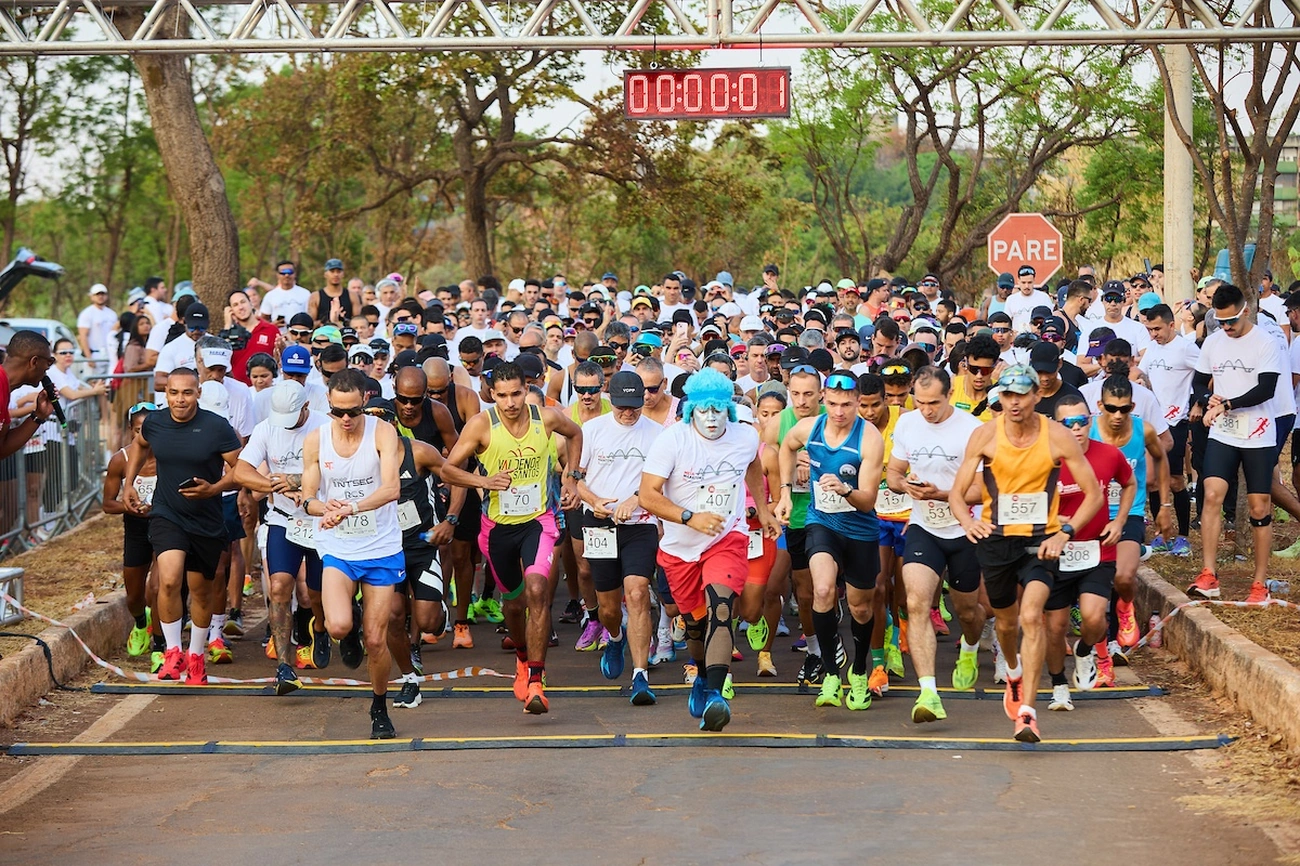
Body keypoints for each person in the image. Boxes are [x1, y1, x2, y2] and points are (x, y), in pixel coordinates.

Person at [947, 365, 1103, 742]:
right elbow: (956, 493)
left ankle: (1028, 714)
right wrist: (967, 523)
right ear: (1000, 398)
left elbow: (1094, 494)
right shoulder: (985, 435)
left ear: (1036, 395)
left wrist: (1065, 532)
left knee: (1032, 616)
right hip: (997, 540)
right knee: (1006, 623)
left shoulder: (1057, 436)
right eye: (1007, 395)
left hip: (1041, 540)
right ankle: (1014, 673)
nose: (1014, 403)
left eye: (1021, 395)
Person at [439, 361, 584, 715]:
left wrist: (572, 477)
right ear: (492, 394)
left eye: (516, 394)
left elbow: (576, 433)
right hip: (497, 529)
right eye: (502, 396)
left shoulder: (545, 419)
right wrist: (484, 482)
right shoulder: (481, 425)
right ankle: (521, 656)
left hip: (538, 522)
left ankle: (536, 679)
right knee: (514, 605)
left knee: (538, 589)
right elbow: (448, 469)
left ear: (526, 389)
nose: (510, 403)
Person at [640, 368, 781, 731]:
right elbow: (647, 495)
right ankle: (702, 675)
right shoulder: (672, 440)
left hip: (726, 537)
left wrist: (763, 510)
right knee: (694, 624)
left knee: (721, 607)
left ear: (729, 409)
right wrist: (689, 517)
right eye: (704, 410)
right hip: (680, 547)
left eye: (719, 409)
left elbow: (752, 466)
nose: (712, 418)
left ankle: (717, 695)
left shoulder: (744, 436)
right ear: (691, 410)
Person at [300, 369, 405, 739]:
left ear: (365, 400)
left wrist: (351, 508)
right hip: (339, 548)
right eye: (337, 411)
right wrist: (324, 509)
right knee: (338, 626)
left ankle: (379, 707)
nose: (345, 418)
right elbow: (308, 498)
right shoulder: (316, 440)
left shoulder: (383, 433)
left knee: (376, 641)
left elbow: (391, 489)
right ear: (328, 403)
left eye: (353, 411)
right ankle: (351, 619)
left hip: (381, 547)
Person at [123, 369, 243, 686]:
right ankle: (173, 652)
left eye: (187, 393)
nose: (180, 400)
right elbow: (139, 444)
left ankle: (196, 656)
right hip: (167, 513)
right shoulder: (155, 423)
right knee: (169, 579)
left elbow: (241, 468)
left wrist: (214, 489)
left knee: (201, 591)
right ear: (166, 394)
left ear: (198, 393)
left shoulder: (216, 427)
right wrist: (129, 482)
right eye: (174, 393)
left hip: (206, 519)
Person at [775, 369, 885, 712]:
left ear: (858, 403)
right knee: (822, 590)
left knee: (861, 607)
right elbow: (785, 446)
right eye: (834, 404)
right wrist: (784, 492)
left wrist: (845, 489)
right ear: (824, 398)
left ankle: (859, 669)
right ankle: (832, 674)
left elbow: (868, 501)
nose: (839, 412)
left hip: (860, 529)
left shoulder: (869, 439)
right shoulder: (810, 428)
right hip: (822, 522)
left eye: (847, 405)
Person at [884, 366, 985, 723]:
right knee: (916, 602)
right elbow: (893, 473)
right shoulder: (907, 423)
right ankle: (928, 692)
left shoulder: (972, 429)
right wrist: (905, 486)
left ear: (949, 395)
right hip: (923, 526)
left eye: (934, 403)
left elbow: (982, 490)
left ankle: (970, 647)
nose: (926, 410)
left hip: (963, 528)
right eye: (921, 402)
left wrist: (942, 494)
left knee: (968, 611)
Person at [232, 380, 330, 694]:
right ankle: (284, 667)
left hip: (321, 520)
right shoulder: (266, 428)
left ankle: (320, 627)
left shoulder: (325, 427)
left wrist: (297, 480)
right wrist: (272, 486)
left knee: (315, 594)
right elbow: (241, 471)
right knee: (279, 586)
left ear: (306, 407)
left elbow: (337, 470)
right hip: (283, 520)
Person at [1188, 283, 1284, 605]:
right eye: (1221, 321)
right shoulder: (1213, 342)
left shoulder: (1265, 341)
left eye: (1231, 321)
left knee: (1259, 507)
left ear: (1245, 311)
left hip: (1257, 433)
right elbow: (1199, 381)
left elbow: (1266, 389)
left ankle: (1259, 583)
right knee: (1212, 494)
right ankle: (1208, 574)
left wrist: (1227, 404)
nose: (1226, 327)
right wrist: (1207, 398)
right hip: (1224, 432)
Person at [574, 371, 664, 705]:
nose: (628, 412)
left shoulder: (658, 433)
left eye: (634, 406)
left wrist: (637, 499)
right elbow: (575, 479)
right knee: (609, 608)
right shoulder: (592, 430)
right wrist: (594, 500)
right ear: (609, 399)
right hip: (599, 523)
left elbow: (661, 481)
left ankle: (641, 675)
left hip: (640, 524)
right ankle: (614, 637)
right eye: (622, 406)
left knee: (638, 593)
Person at [1047, 395, 1134, 700]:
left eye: (1082, 421)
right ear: (1056, 426)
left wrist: (1119, 521)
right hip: (1056, 552)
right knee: (1055, 628)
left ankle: (1085, 651)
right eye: (1069, 423)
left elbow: (1130, 484)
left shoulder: (1109, 454)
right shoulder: (1046, 460)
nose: (1077, 428)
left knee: (1094, 618)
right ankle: (1058, 684)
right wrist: (1050, 519)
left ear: (1090, 420)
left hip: (1097, 550)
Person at [1089, 375, 1171, 663]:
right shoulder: (1088, 431)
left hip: (1129, 513)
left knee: (1123, 577)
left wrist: (1164, 505)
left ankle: (1126, 606)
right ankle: (1106, 644)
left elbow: (1161, 458)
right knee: (1099, 579)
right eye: (1111, 408)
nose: (1117, 415)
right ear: (1100, 405)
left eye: (1124, 409)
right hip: (1093, 515)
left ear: (1132, 407)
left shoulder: (1143, 430)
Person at [102, 402, 159, 662]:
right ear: (130, 430)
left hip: (164, 526)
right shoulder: (120, 460)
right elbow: (107, 504)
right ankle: (141, 622)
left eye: (148, 430)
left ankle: (161, 644)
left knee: (159, 587)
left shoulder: (168, 457)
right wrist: (130, 508)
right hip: (136, 528)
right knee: (134, 597)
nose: (143, 436)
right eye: (137, 430)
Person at [0, 331, 58, 460]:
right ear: (34, 362)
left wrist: (38, 415)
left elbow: (2, 447)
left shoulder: (5, 387)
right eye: (49, 361)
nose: (48, 369)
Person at [77, 284, 118, 375]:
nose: (100, 297)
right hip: (94, 354)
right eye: (97, 294)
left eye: (102, 294)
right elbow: (83, 336)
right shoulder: (87, 314)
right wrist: (89, 358)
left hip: (110, 354)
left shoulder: (112, 314)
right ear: (92, 297)